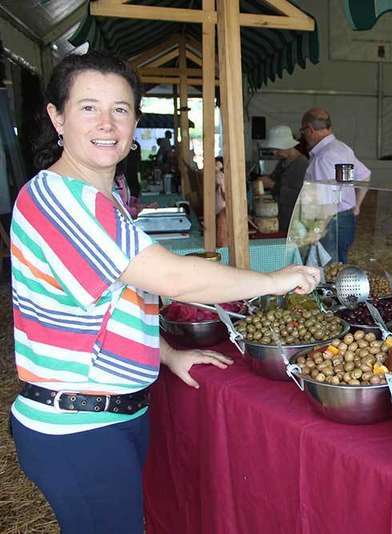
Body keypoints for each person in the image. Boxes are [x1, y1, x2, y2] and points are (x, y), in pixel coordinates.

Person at [11, 50, 322, 534]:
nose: (107, 123)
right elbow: (172, 277)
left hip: (112, 416)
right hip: (79, 426)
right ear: (57, 117)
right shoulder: (59, 198)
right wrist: (275, 280)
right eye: (88, 107)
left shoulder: (103, 199)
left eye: (120, 109)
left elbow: (115, 302)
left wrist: (167, 353)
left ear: (135, 121)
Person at [300, 107, 370, 263]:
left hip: (329, 221)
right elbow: (365, 175)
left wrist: (316, 231)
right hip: (346, 218)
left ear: (310, 130)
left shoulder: (323, 157)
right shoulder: (342, 148)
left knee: (329, 269)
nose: (303, 136)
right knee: (339, 265)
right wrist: (356, 207)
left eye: (303, 131)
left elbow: (327, 202)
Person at [259, 125, 309, 233]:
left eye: (277, 149)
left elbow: (299, 196)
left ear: (288, 146)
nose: (274, 152)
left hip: (294, 222)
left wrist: (272, 185)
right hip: (282, 217)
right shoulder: (283, 162)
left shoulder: (301, 164)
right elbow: (275, 178)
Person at [214, 156, 227, 246]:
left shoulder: (220, 175)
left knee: (221, 223)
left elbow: (224, 193)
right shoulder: (218, 175)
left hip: (221, 206)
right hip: (219, 205)